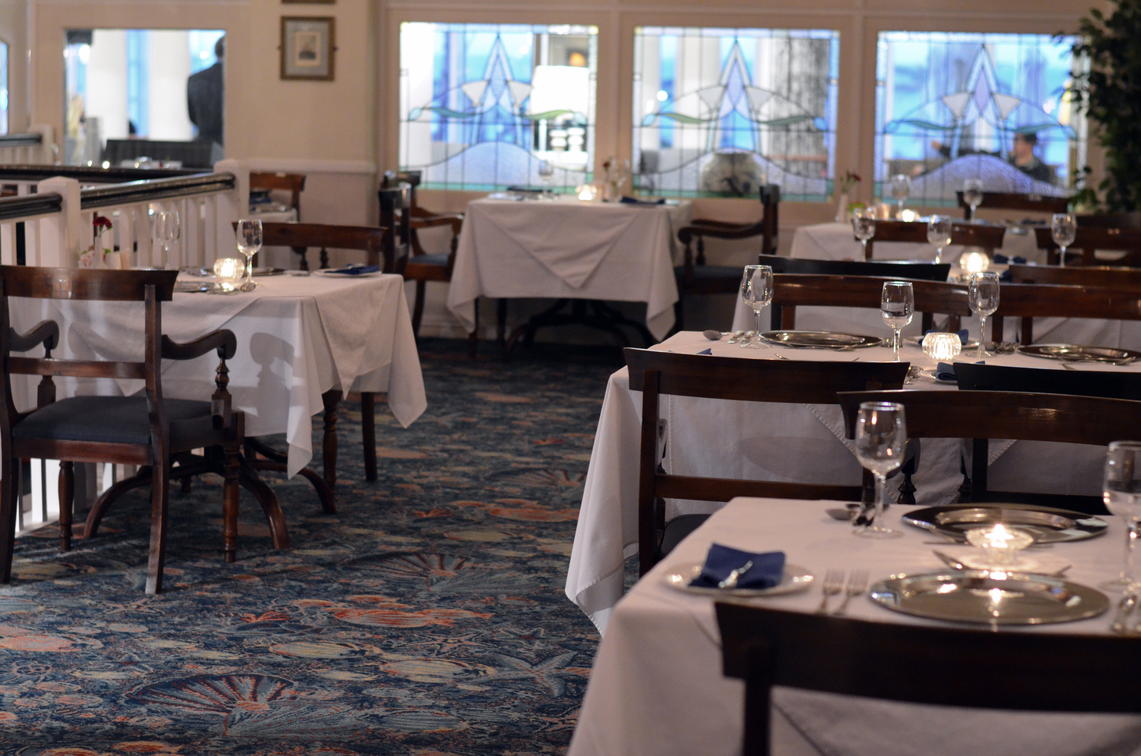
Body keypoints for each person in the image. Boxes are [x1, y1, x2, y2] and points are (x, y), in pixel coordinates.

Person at [929, 131, 1055, 185]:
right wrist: (943, 149)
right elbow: (976, 155)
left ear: (1030, 144)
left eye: (1018, 140)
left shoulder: (1041, 169)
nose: (1014, 143)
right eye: (1014, 139)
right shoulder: (1003, 159)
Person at [187, 36, 224, 162]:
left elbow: (192, 116)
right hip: (229, 144)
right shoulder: (235, 79)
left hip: (202, 146)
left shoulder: (195, 79)